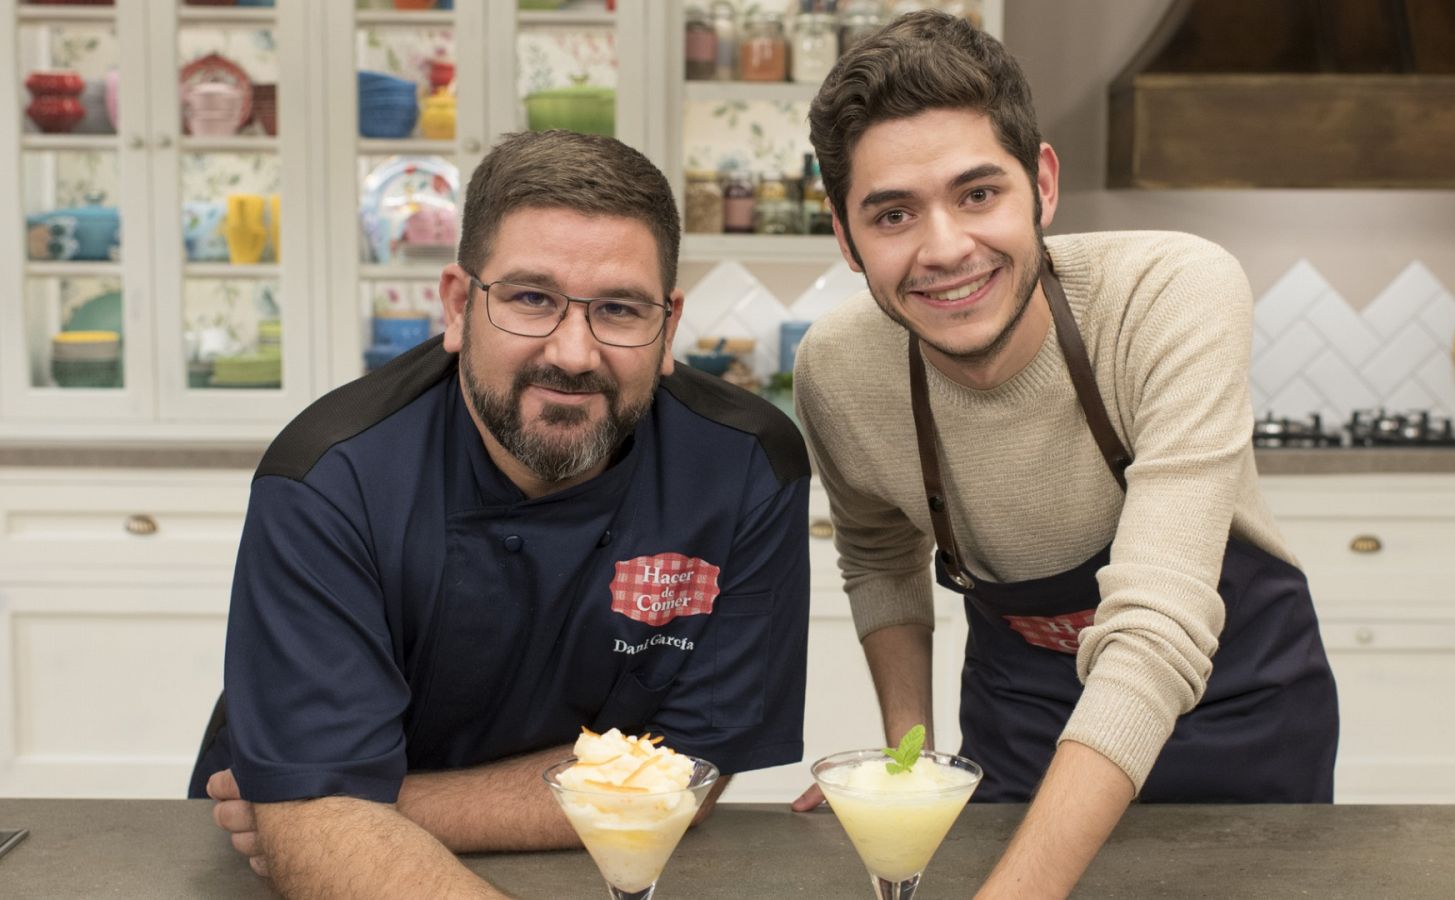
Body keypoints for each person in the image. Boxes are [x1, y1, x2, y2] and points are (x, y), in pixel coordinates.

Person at [791, 11, 1338, 896]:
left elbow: (1157, 628)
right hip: (1020, 718)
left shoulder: (1170, 293)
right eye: (892, 213)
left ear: (1040, 184)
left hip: (1237, 714)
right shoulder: (837, 369)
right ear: (846, 238)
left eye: (978, 194)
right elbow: (879, 549)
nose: (944, 250)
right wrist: (909, 766)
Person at [187, 130, 811, 898]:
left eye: (619, 309)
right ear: (457, 305)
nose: (574, 352)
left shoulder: (745, 468)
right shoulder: (329, 479)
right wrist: (320, 815)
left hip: (590, 865)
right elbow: (317, 841)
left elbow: (687, 775)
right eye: (531, 298)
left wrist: (360, 802)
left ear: (669, 326)